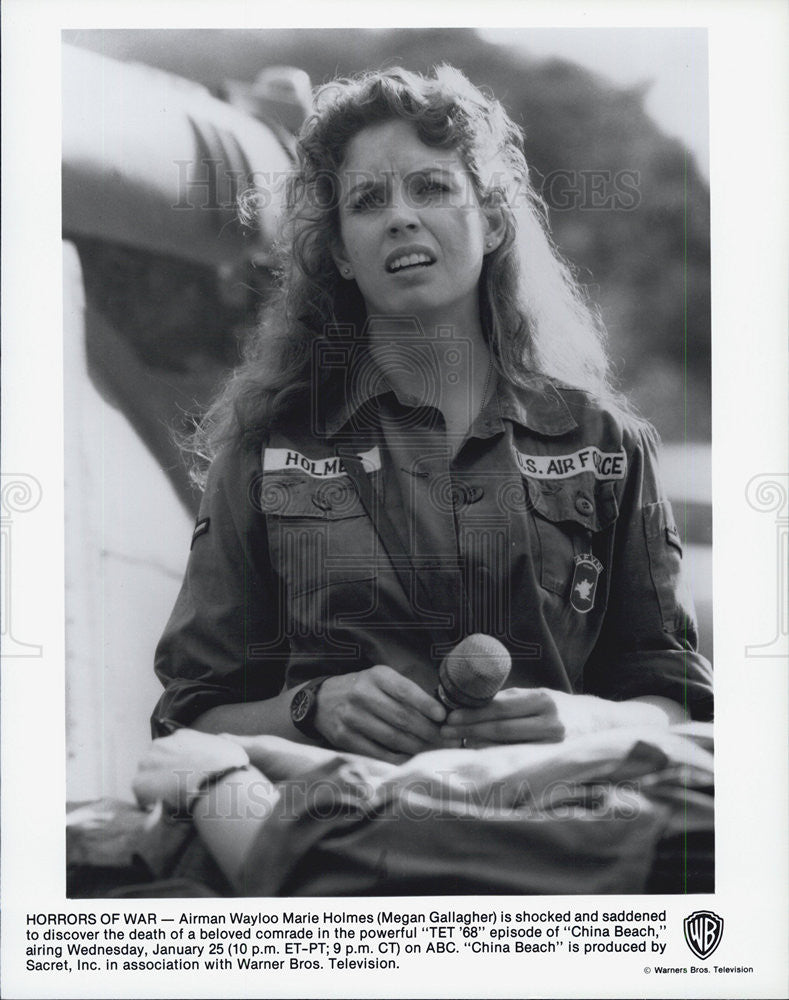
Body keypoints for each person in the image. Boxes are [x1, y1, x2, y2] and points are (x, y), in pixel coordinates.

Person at [151, 65, 713, 766]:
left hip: (566, 842)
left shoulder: (607, 445)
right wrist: (312, 709)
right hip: (342, 847)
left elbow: (678, 698)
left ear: (494, 218)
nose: (400, 216)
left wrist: (584, 721)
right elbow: (188, 724)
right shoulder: (266, 448)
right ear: (340, 254)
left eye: (431, 187)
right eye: (365, 201)